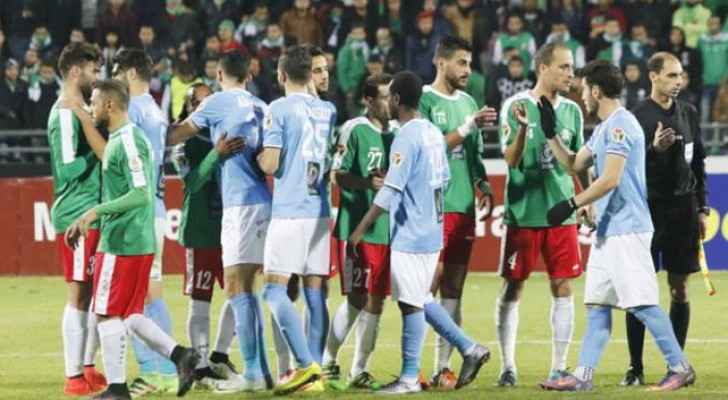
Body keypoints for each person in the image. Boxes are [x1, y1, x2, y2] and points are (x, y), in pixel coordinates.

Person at [539, 59, 696, 392]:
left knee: (641, 303)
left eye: (584, 89)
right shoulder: (604, 128)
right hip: (608, 231)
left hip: (628, 229)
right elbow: (573, 164)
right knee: (597, 305)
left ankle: (680, 367)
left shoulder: (621, 125)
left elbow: (610, 178)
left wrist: (572, 204)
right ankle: (583, 375)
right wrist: (550, 134)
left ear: (596, 91)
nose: (582, 95)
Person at [349, 70, 489, 394]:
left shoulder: (406, 136)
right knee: (421, 298)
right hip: (432, 230)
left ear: (397, 99)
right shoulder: (432, 133)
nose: (387, 101)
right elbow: (444, 179)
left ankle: (410, 377)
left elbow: (390, 191)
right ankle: (469, 349)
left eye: (389, 96)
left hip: (410, 234)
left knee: (410, 304)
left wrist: (360, 229)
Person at [65, 79, 200, 400]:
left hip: (123, 243)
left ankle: (117, 388)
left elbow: (141, 194)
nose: (91, 107)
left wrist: (94, 212)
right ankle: (182, 355)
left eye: (94, 102)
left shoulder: (127, 140)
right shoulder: (123, 139)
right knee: (129, 314)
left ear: (110, 105)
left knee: (105, 314)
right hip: (132, 240)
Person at [168, 52, 274, 393]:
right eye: (196, 102)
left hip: (238, 209)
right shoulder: (261, 106)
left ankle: (246, 368)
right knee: (241, 289)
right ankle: (245, 369)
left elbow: (172, 135)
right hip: (239, 212)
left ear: (218, 75)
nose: (202, 104)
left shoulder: (218, 105)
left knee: (237, 290)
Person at [496, 41, 584, 387]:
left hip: (561, 212)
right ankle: (508, 366)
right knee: (513, 287)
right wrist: (521, 129)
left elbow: (577, 160)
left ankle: (559, 366)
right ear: (543, 68)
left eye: (571, 67)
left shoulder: (573, 111)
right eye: (564, 67)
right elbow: (511, 160)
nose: (570, 74)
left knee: (562, 285)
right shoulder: (515, 106)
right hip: (524, 214)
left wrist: (585, 198)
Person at [621, 52, 708, 386]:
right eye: (671, 75)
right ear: (653, 76)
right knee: (640, 291)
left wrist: (702, 207)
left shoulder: (689, 113)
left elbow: (698, 161)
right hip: (648, 211)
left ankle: (677, 365)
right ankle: (635, 368)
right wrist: (653, 151)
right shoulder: (636, 117)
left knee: (680, 288)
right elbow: (627, 170)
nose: (678, 82)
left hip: (683, 211)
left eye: (680, 75)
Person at [256, 45, 336, 394]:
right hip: (319, 211)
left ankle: (306, 366)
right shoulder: (328, 110)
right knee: (315, 293)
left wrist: (256, 157)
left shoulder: (278, 108)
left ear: (281, 75)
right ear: (309, 74)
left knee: (273, 290)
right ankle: (314, 375)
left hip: (289, 211)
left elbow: (271, 163)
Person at [418, 35, 496, 388]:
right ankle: (411, 365)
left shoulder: (468, 102)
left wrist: (482, 182)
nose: (467, 70)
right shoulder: (424, 100)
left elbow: (474, 153)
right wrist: (467, 126)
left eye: (469, 63)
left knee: (453, 288)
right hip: (434, 207)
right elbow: (430, 149)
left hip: (464, 207)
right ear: (441, 62)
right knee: (425, 287)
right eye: (461, 63)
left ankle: (443, 368)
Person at [110, 48, 178, 396]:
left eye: (117, 71)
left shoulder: (133, 110)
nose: (114, 77)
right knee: (151, 293)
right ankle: (167, 370)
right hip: (156, 208)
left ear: (131, 72)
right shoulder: (154, 108)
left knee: (132, 298)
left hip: (139, 212)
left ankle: (156, 371)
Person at [323, 74, 394, 390]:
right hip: (356, 229)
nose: (389, 103)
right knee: (357, 297)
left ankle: (359, 370)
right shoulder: (354, 129)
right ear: (368, 100)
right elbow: (336, 174)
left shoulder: (399, 132)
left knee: (377, 300)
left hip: (386, 230)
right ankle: (328, 359)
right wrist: (367, 183)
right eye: (384, 97)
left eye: (392, 96)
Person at [171, 83, 244, 389]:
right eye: (196, 103)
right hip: (201, 232)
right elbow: (193, 183)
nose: (203, 108)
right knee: (201, 300)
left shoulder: (229, 135)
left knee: (242, 294)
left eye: (208, 102)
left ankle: (220, 354)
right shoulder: (182, 145)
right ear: (189, 109)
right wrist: (216, 154)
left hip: (231, 229)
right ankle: (199, 366)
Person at [47, 42, 107, 397]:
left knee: (94, 295)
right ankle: (73, 377)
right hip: (77, 216)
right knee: (79, 294)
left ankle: (87, 367)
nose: (97, 76)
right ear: (74, 71)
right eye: (93, 70)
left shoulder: (80, 110)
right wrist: (98, 150)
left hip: (91, 211)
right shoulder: (65, 113)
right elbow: (68, 169)